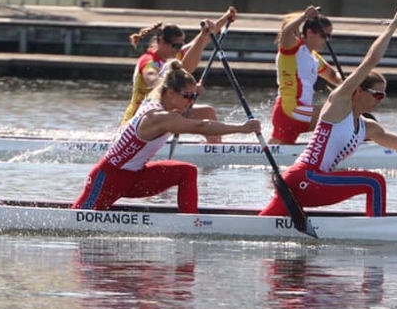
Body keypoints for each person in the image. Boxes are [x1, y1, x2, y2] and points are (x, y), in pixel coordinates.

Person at [259, 8, 397, 218]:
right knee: (374, 182)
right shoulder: (338, 105)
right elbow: (370, 60)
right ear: (358, 91)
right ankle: (379, 235)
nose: (380, 101)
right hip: (305, 178)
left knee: (260, 224)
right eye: (377, 95)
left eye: (383, 96)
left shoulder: (368, 127)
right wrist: (393, 26)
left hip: (302, 183)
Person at [73, 57, 261, 212]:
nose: (191, 101)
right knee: (77, 220)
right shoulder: (159, 116)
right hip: (108, 178)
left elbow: (176, 76)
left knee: (187, 171)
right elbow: (201, 127)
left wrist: (204, 37)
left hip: (135, 177)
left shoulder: (164, 102)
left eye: (193, 96)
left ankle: (189, 223)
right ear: (170, 93)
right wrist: (242, 128)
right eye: (187, 96)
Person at [121, 6, 236, 142]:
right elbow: (153, 79)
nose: (178, 50)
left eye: (180, 46)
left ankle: (215, 154)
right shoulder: (149, 62)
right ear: (161, 42)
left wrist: (225, 18)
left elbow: (203, 40)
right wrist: (186, 91)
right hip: (141, 121)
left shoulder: (176, 54)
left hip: (165, 113)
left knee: (208, 112)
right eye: (175, 46)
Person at [269, 5, 343, 144]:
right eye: (324, 35)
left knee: (276, 151)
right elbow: (286, 33)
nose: (327, 40)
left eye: (330, 36)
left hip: (293, 114)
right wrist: (304, 16)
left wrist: (351, 84)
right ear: (309, 32)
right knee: (339, 116)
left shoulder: (314, 57)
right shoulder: (292, 48)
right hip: (291, 111)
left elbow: (333, 77)